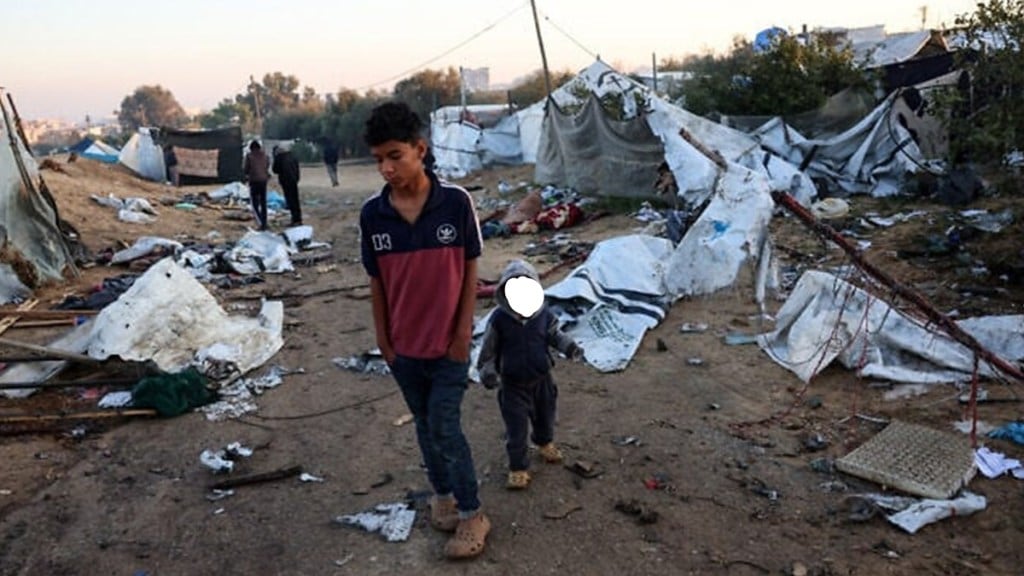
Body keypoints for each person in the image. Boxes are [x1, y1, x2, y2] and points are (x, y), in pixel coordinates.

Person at [359, 101, 489, 560]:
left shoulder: (455, 203)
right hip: (404, 351)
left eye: (395, 156)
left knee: (446, 426)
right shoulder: (373, 215)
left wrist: (462, 334)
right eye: (379, 160)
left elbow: (470, 270)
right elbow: (377, 282)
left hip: (448, 347)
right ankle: (443, 496)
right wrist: (384, 341)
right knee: (424, 425)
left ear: (420, 149)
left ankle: (473, 513)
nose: (386, 169)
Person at [476, 259, 583, 490]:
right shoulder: (499, 320)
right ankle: (518, 467)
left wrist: (570, 347)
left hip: (542, 380)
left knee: (545, 417)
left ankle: (544, 443)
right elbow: (488, 350)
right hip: (512, 386)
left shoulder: (544, 315)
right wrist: (487, 371)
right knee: (516, 429)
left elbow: (555, 335)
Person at [272, 142, 302, 225]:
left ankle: (294, 219)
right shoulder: (293, 156)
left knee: (290, 200)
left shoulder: (279, 157)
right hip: (294, 180)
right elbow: (297, 168)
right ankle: (298, 218)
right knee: (295, 200)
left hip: (285, 181)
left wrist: (275, 157)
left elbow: (275, 170)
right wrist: (297, 178)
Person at [242, 140, 270, 230]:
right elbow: (267, 166)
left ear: (251, 148)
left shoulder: (249, 156)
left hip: (254, 181)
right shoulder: (265, 156)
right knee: (263, 202)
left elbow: (246, 169)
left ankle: (260, 223)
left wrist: (247, 175)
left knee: (254, 204)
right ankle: (265, 222)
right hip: (264, 181)